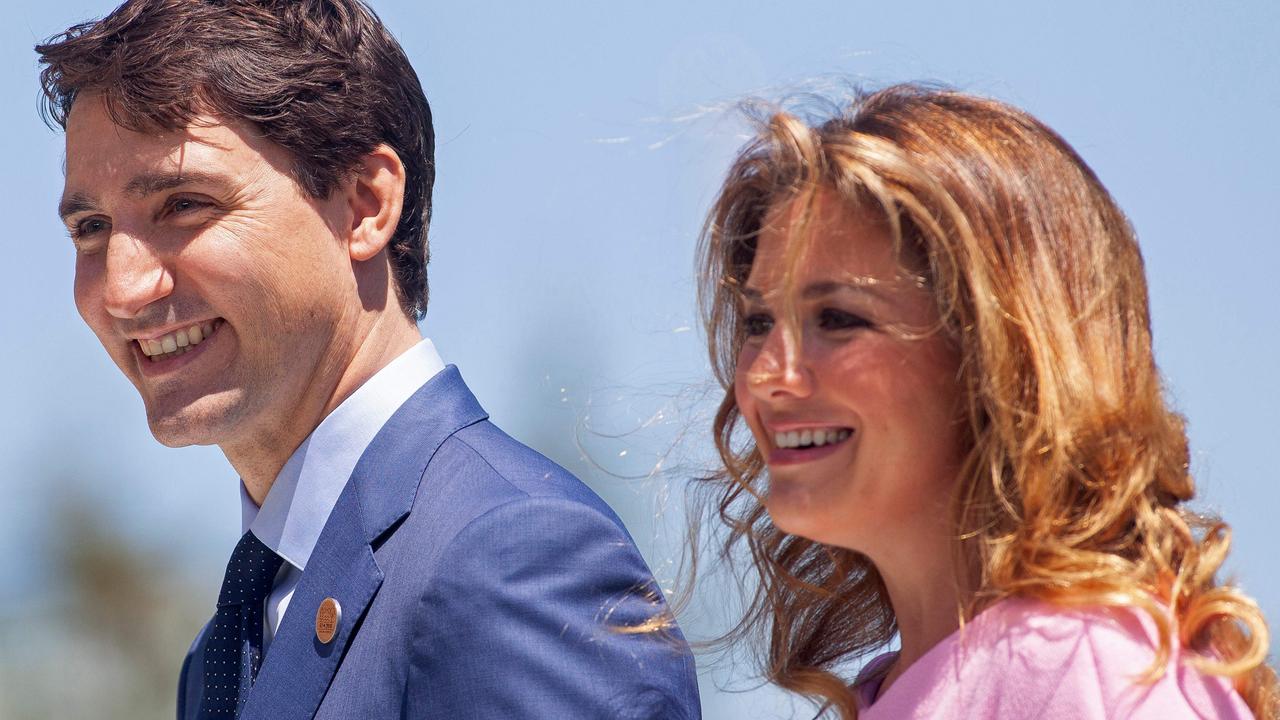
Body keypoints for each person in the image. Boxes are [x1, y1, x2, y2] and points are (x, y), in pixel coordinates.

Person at [37, 1, 700, 718]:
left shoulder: (509, 559)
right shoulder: (222, 656)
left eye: (184, 204)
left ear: (365, 205)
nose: (123, 287)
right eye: (91, 227)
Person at [693, 84, 1278, 718]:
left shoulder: (1077, 673)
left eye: (837, 318)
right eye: (757, 323)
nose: (767, 377)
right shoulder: (932, 683)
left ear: (1000, 356)